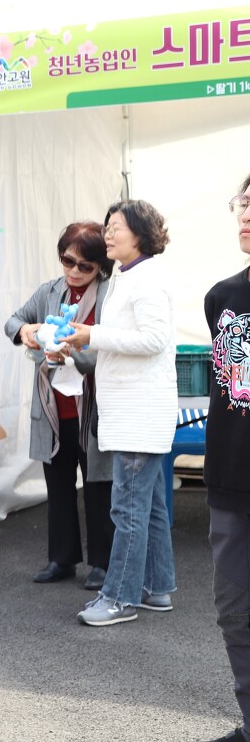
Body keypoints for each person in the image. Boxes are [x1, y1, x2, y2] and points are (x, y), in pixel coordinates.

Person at [65, 199, 178, 627]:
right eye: (108, 226)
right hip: (134, 412)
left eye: (117, 227)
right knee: (149, 506)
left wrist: (93, 335)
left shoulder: (146, 278)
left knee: (127, 509)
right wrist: (88, 339)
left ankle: (119, 598)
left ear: (141, 234)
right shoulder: (128, 275)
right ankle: (156, 586)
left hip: (138, 414)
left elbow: (153, 339)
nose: (108, 234)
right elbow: (126, 338)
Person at [4, 222, 115, 591]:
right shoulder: (50, 291)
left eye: (85, 265)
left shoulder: (111, 296)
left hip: (93, 407)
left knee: (99, 486)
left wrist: (75, 354)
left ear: (100, 266)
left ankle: (103, 563)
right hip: (53, 407)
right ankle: (62, 558)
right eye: (68, 261)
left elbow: (112, 351)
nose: (74, 271)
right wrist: (25, 331)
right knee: (59, 485)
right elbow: (13, 321)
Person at [200, 174, 250, 742]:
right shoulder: (222, 297)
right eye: (243, 202)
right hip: (231, 481)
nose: (246, 214)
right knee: (235, 611)